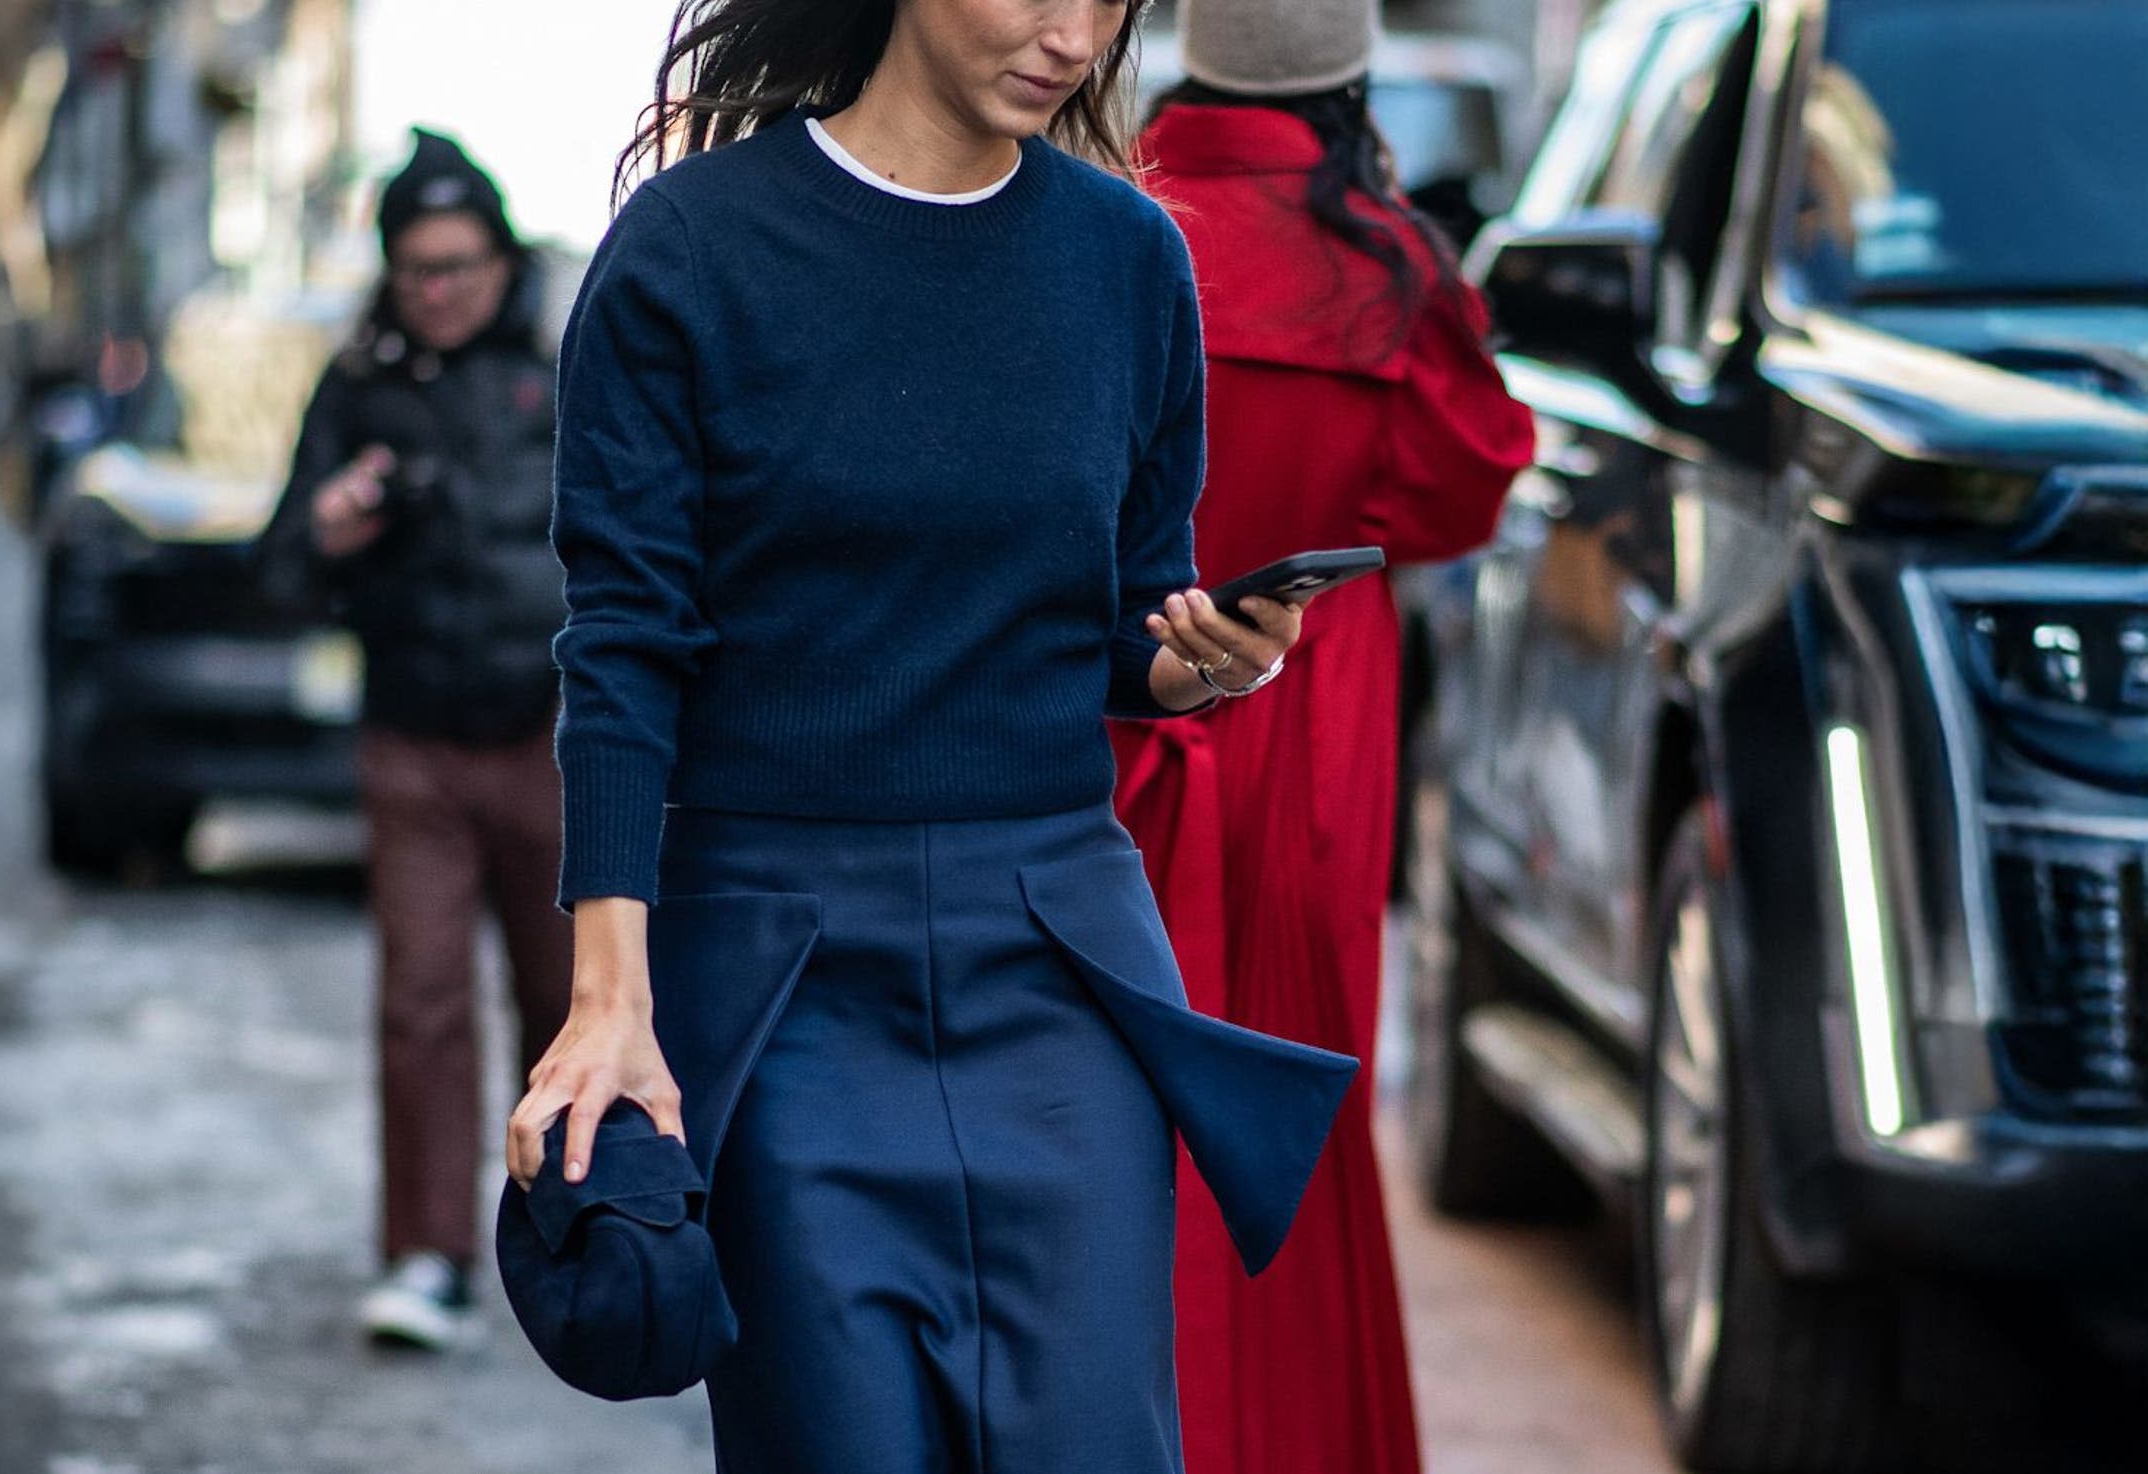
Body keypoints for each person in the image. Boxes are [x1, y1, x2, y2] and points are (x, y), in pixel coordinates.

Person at [501, 1, 1360, 1469]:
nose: (1074, 34)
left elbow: (1114, 630)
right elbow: (627, 650)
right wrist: (608, 998)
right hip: (786, 974)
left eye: (1112, 1)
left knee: (1095, 1439)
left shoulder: (1131, 259)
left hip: (1058, 967)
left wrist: (1208, 664)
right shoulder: (691, 254)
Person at [1107, 4, 1536, 1473]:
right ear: (1344, 71)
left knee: (1106, 1099)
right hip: (1314, 714)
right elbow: (1463, 491)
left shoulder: (1114, 221)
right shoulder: (1387, 259)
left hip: (1124, 705)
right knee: (1300, 1097)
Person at [260, 129, 579, 1350]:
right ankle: (425, 1256)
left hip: (550, 738)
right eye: (417, 270)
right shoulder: (356, 389)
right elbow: (278, 567)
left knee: (566, 1002)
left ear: (500, 259)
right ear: (391, 274)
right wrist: (332, 530)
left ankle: (573, 1245)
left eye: (461, 265)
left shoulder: (564, 370)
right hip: (413, 745)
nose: (441, 290)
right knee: (422, 1002)